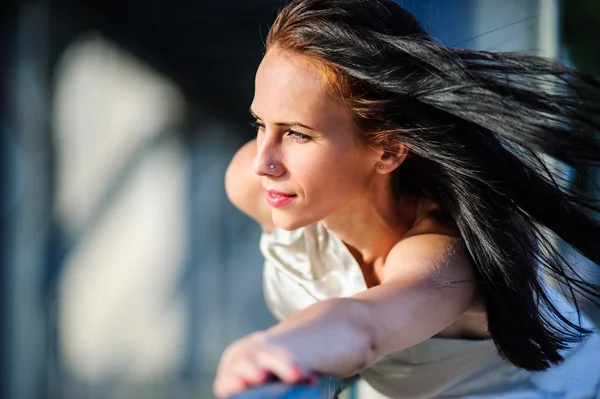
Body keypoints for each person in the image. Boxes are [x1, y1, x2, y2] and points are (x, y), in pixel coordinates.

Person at [213, 0, 600, 397]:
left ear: (388, 150)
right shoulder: (254, 183)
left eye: (297, 133)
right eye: (261, 124)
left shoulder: (442, 252)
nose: (263, 162)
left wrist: (271, 347)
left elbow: (363, 327)